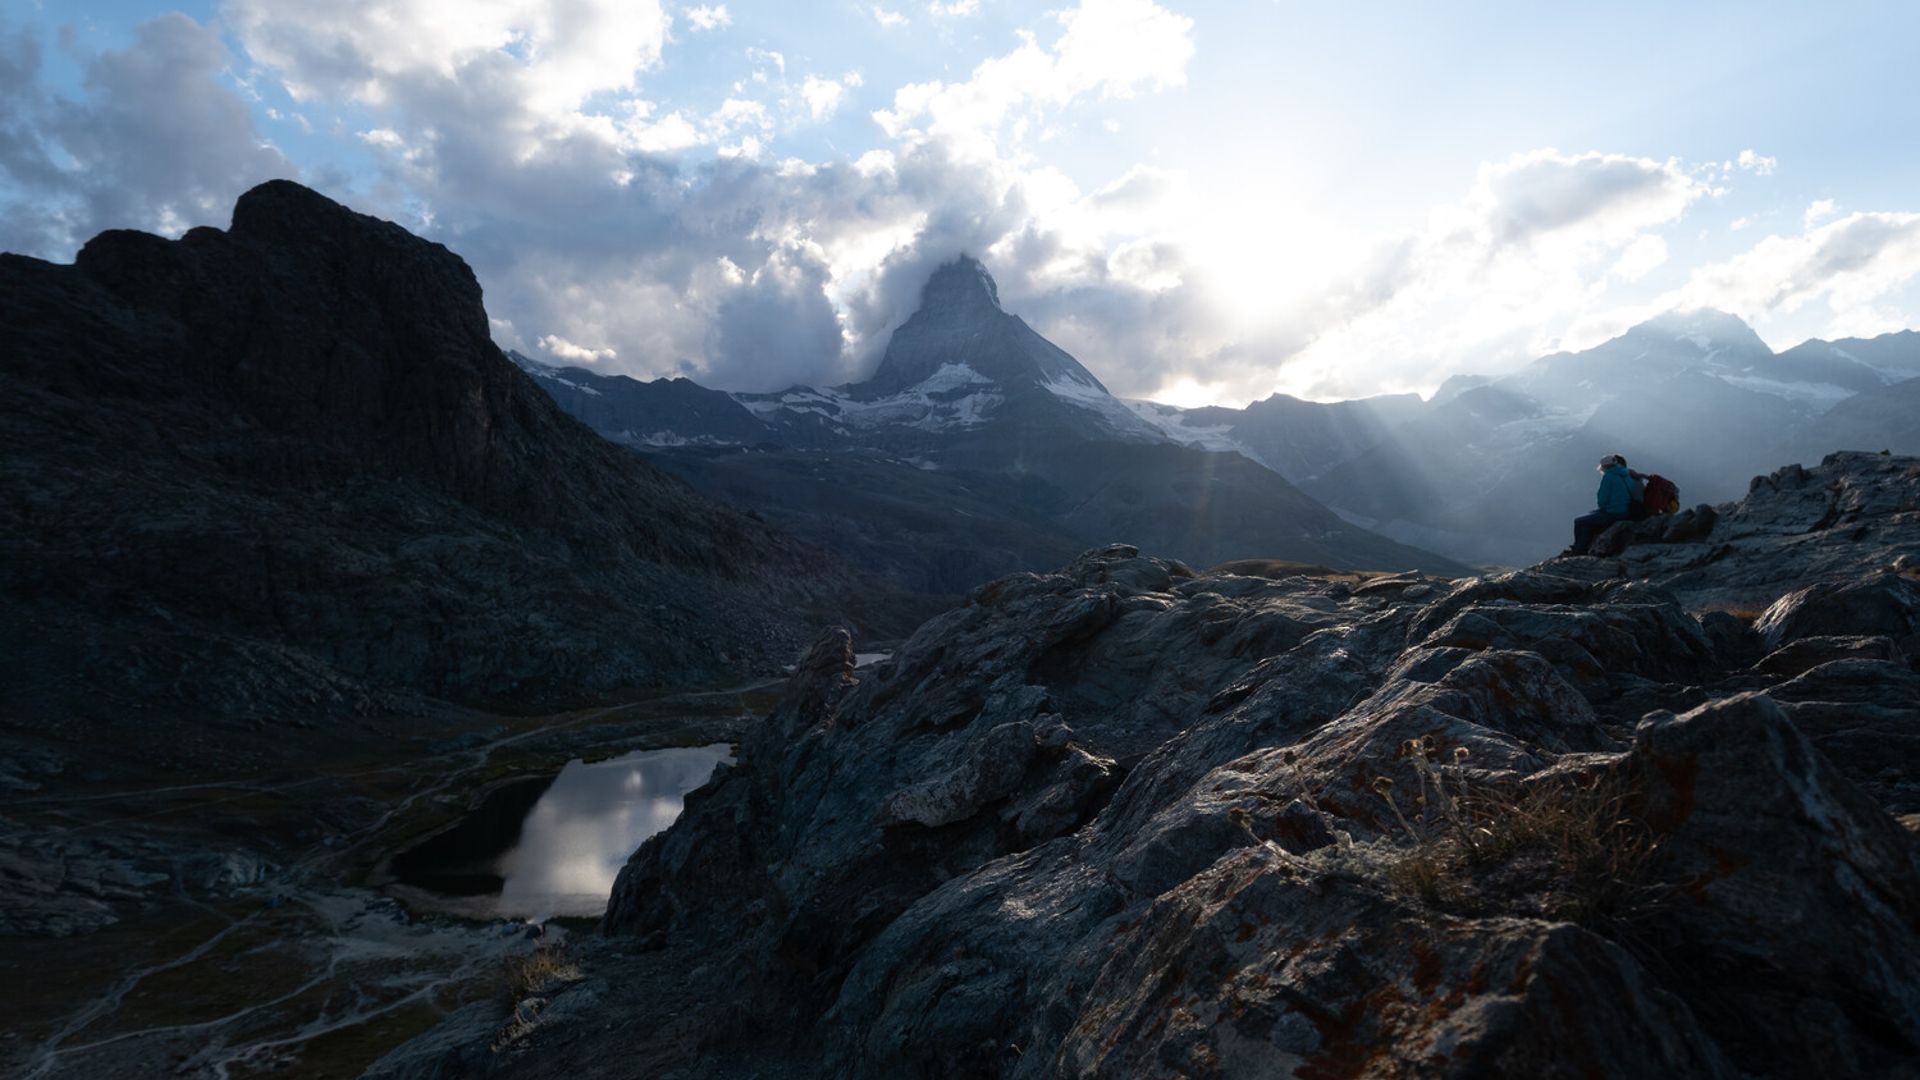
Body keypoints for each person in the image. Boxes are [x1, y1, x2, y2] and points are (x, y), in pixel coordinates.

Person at [1568, 453, 1641, 555]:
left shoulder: (1609, 476)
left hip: (1614, 513)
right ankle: (1583, 546)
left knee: (1580, 522)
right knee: (1591, 517)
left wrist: (1602, 509)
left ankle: (1579, 550)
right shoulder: (1626, 474)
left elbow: (1603, 498)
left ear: (1604, 467)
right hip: (1626, 511)